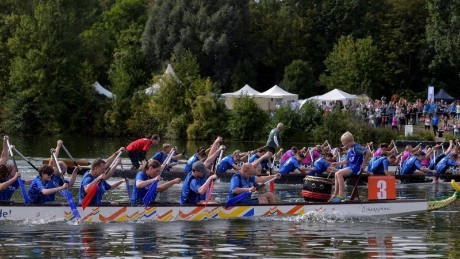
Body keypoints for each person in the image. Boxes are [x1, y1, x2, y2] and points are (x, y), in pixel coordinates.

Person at [330, 131, 371, 203]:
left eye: (345, 143)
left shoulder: (356, 147)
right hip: (351, 167)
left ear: (351, 141)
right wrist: (337, 163)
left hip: (356, 168)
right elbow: (347, 161)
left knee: (339, 174)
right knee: (336, 173)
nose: (344, 145)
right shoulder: (350, 149)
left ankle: (341, 194)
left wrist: (364, 163)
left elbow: (368, 152)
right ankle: (336, 194)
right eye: (343, 143)